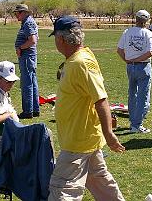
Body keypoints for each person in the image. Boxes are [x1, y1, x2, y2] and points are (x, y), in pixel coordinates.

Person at [48, 16, 125, 201]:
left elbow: (101, 99)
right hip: (84, 138)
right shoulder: (78, 59)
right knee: (100, 182)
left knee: (62, 189)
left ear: (61, 39)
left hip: (78, 141)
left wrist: (109, 133)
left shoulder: (81, 63)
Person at [117, 10, 152, 133]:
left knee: (132, 93)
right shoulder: (148, 33)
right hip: (143, 67)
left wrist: (128, 61)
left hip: (130, 67)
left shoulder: (127, 32)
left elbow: (119, 50)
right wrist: (137, 60)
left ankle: (133, 121)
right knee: (142, 96)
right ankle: (136, 124)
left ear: (136, 18)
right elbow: (151, 52)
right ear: (147, 21)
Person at [13, 4, 39, 119]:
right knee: (32, 81)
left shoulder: (28, 23)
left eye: (17, 12)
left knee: (26, 83)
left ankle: (28, 111)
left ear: (24, 12)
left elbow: (33, 40)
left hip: (27, 56)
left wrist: (20, 48)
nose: (16, 15)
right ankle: (34, 109)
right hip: (28, 56)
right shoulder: (28, 22)